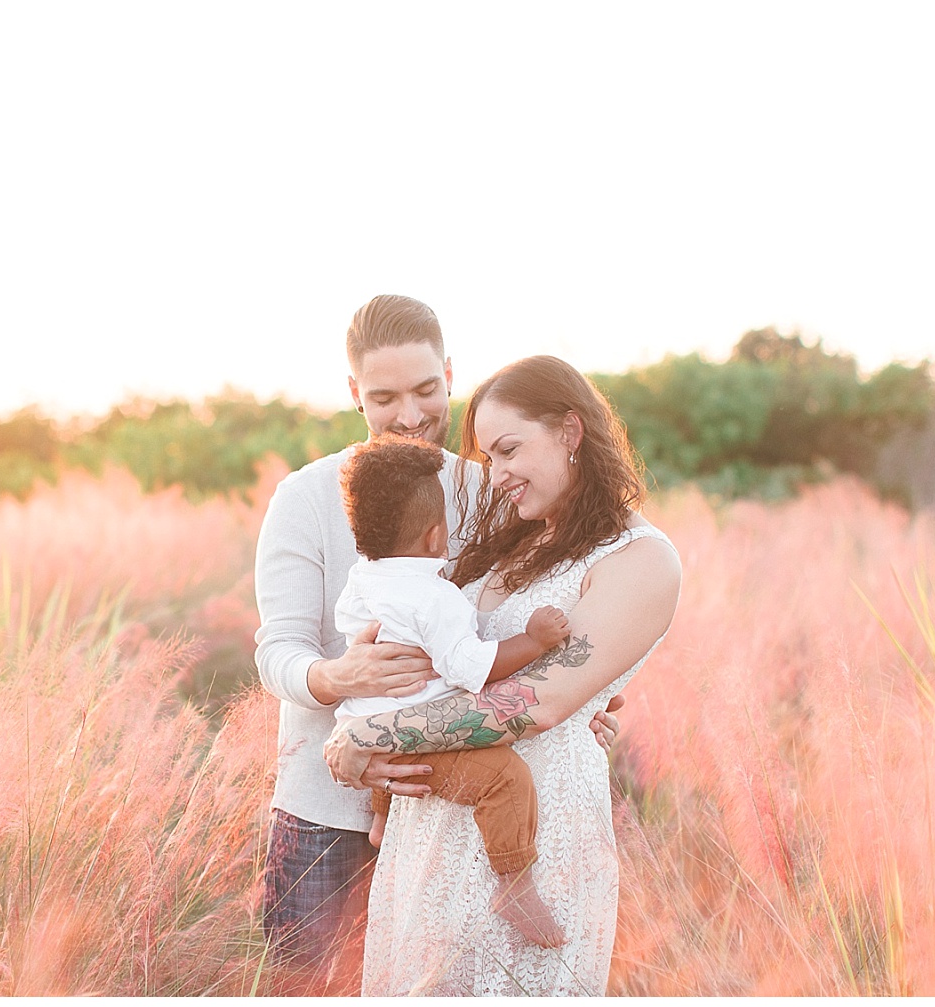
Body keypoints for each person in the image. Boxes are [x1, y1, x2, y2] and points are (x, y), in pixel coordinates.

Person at [252, 296, 622, 992]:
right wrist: (339, 676)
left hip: (452, 818)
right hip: (325, 813)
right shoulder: (304, 497)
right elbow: (277, 649)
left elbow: (522, 617)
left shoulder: (495, 488)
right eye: (385, 397)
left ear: (450, 374)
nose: (411, 414)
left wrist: (578, 697)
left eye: (427, 390)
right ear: (355, 393)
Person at [324, 354, 682, 996]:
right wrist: (354, 740)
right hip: (430, 830)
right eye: (489, 457)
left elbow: (530, 707)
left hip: (533, 836)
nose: (497, 475)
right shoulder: (512, 546)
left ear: (571, 431)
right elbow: (404, 660)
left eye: (509, 449)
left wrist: (368, 737)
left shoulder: (642, 559)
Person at [333, 432, 570, 948]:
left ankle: (379, 817)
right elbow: (471, 669)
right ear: (436, 535)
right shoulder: (434, 598)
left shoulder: (365, 576)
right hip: (421, 735)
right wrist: (532, 640)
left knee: (388, 720)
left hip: (363, 724)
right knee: (505, 777)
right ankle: (514, 882)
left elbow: (350, 624)